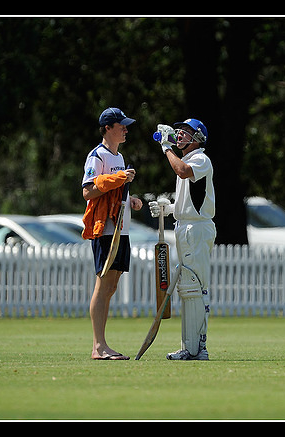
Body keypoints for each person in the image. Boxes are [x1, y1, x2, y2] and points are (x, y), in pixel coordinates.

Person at [150, 118, 216, 360]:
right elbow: (189, 202)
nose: (179, 135)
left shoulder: (200, 159)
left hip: (196, 230)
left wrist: (165, 147)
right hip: (186, 226)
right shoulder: (187, 159)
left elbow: (182, 171)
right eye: (178, 132)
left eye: (185, 132)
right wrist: (168, 209)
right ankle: (191, 347)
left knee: (195, 287)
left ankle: (198, 347)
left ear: (197, 138)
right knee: (188, 287)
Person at [81, 107, 143, 360]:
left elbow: (117, 192)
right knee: (103, 284)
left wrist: (133, 200)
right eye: (121, 125)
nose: (126, 129)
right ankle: (98, 346)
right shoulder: (97, 155)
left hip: (121, 227)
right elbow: (88, 191)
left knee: (112, 285)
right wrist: (117, 178)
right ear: (108, 128)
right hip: (105, 229)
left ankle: (102, 345)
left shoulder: (118, 155)